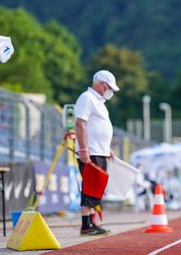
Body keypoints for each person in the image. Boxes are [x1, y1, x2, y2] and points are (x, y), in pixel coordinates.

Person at [74, 70, 120, 236]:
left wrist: (106, 147)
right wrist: (84, 149)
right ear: (101, 84)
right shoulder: (87, 98)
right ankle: (86, 224)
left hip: (99, 150)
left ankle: (91, 223)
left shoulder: (99, 102)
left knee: (97, 187)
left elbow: (97, 127)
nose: (111, 92)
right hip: (91, 151)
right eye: (109, 88)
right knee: (90, 187)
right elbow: (80, 124)